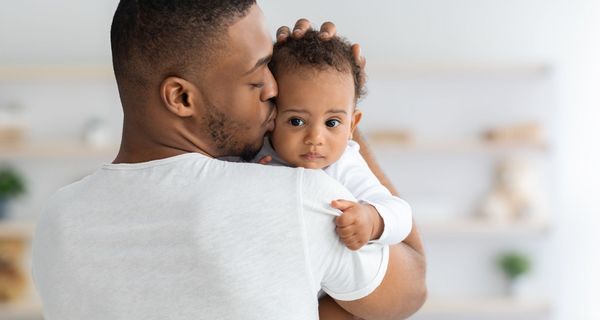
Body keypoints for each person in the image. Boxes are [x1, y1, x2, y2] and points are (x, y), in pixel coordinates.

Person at [31, 1, 426, 320]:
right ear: (182, 98)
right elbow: (411, 289)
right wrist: (336, 109)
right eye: (257, 77)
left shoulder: (57, 217)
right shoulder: (301, 198)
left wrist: (310, 101)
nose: (274, 89)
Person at [250, 30, 413, 251]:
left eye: (332, 123)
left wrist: (371, 219)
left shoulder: (343, 165)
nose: (315, 139)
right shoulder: (259, 155)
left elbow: (401, 214)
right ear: (271, 117)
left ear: (352, 126)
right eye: (297, 121)